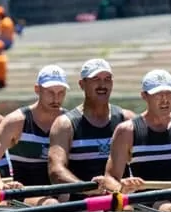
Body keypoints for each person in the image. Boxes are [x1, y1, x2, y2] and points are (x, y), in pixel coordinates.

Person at [104, 69, 171, 212]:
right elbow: (110, 178)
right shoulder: (127, 131)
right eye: (158, 95)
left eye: (169, 94)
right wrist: (122, 187)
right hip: (147, 197)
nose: (165, 100)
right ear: (144, 96)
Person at [0, 65, 69, 205]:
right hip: (24, 195)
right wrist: (2, 187)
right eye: (50, 92)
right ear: (37, 90)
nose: (56, 98)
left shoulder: (69, 121)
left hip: (65, 193)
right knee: (52, 204)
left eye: (61, 93)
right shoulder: (16, 122)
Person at [48, 59, 135, 196]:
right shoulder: (65, 124)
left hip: (120, 202)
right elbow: (56, 170)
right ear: (82, 84)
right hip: (81, 205)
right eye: (96, 79)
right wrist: (88, 189)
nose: (102, 85)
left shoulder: (127, 120)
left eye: (107, 79)